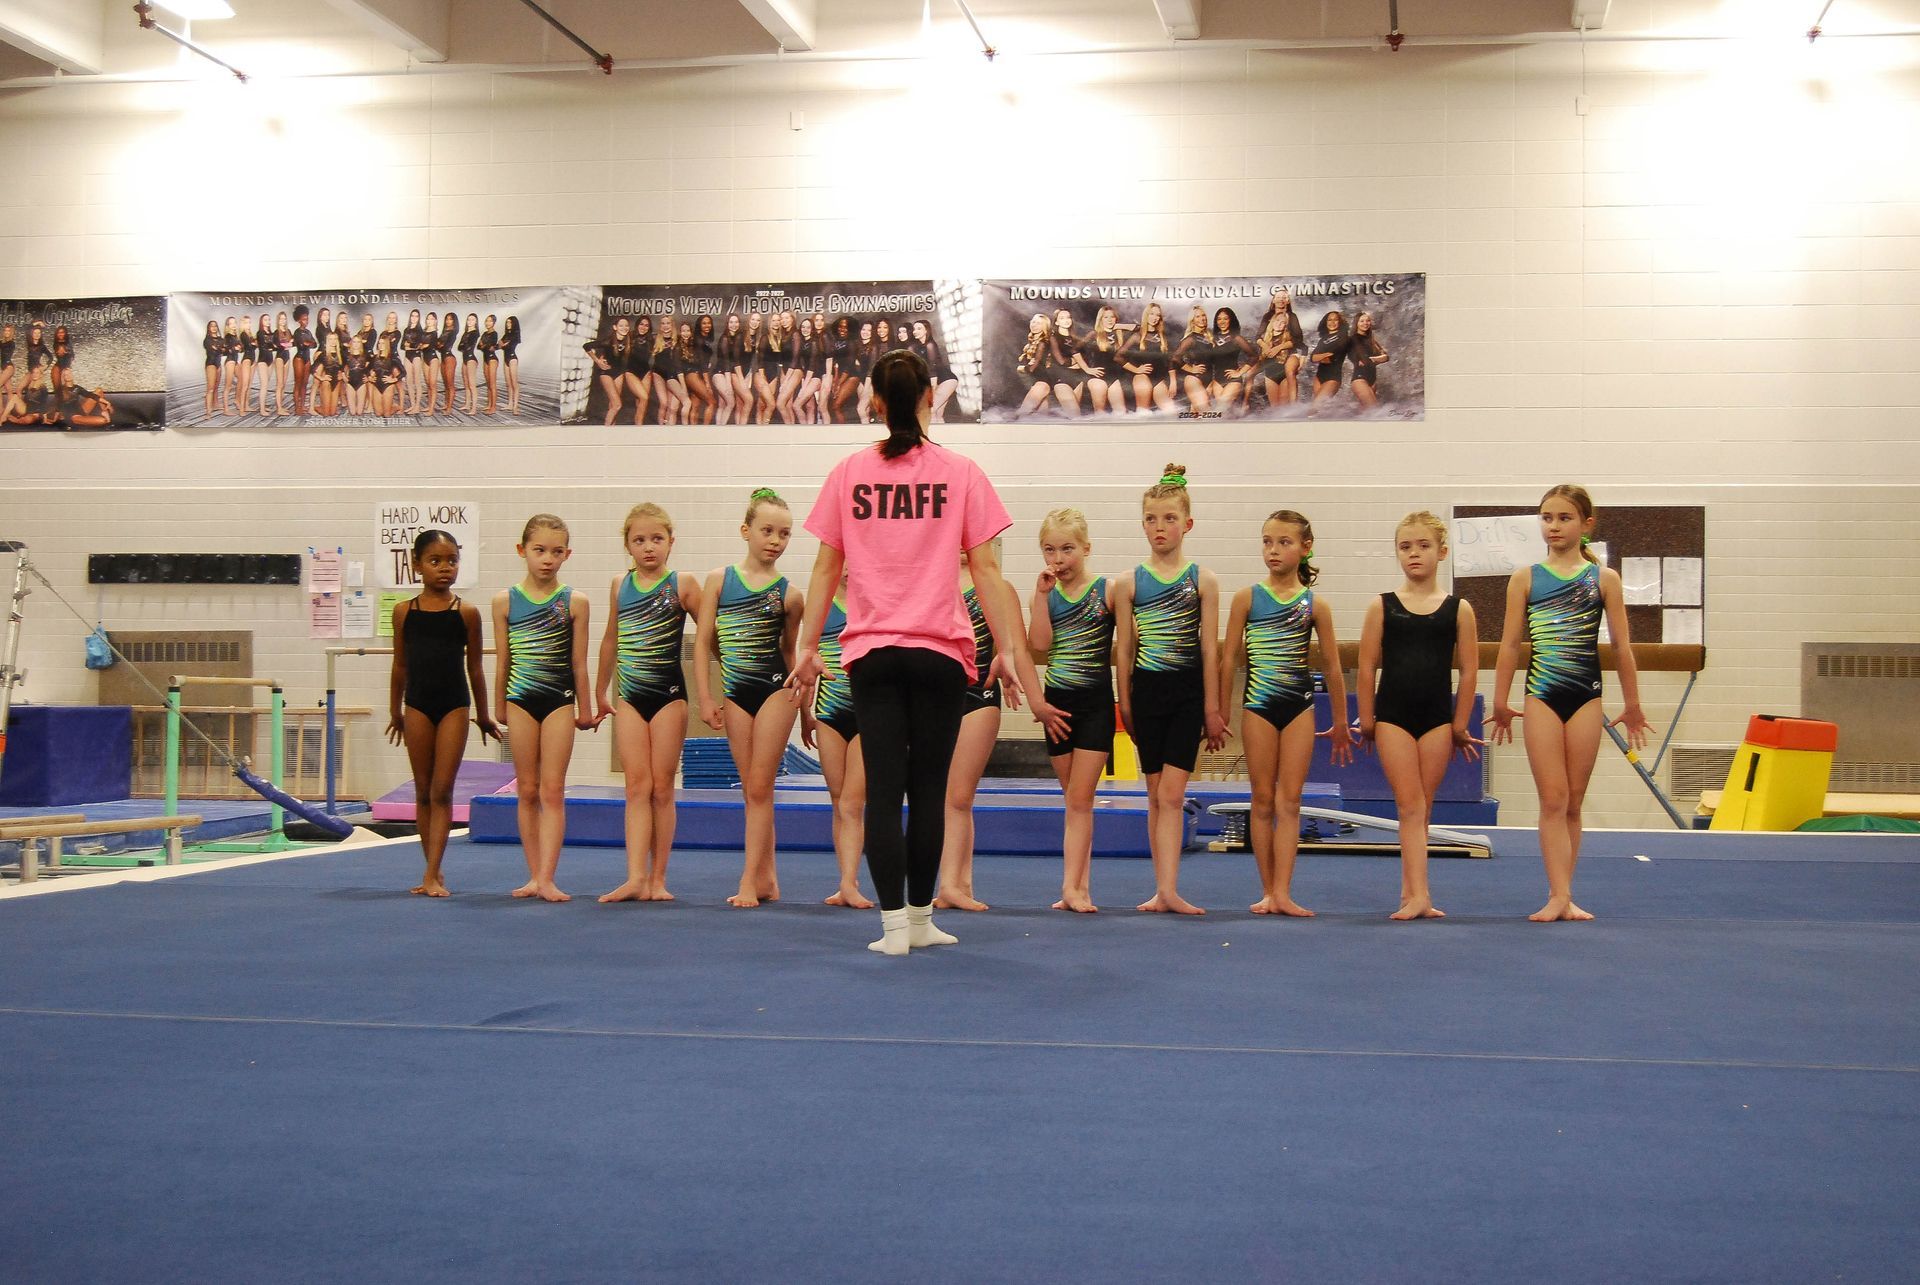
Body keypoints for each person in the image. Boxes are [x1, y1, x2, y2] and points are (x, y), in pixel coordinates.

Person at [789, 348, 1026, 955]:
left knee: (882, 789)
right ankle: (919, 918)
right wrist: (1010, 651)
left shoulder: (848, 473)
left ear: (874, 400)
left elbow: (823, 568)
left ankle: (899, 926)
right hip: (941, 652)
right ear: (928, 398)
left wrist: (808, 645)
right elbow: (989, 572)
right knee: (928, 791)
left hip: (873, 651)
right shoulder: (961, 472)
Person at [1492, 484, 1650, 922]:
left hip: (1586, 695)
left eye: (1564, 518)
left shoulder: (1603, 579)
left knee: (1575, 801)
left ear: (1586, 524)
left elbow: (1622, 647)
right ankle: (1557, 894)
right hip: (1541, 694)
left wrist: (1633, 703)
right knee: (1553, 798)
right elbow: (1509, 646)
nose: (1554, 526)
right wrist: (1501, 699)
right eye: (1547, 517)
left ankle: (1566, 893)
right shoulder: (1525, 578)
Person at [1221, 509, 1353, 917]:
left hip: (1299, 707)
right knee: (1262, 799)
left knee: (1289, 802)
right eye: (1267, 542)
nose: (1273, 550)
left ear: (1305, 548)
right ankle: (1267, 890)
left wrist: (1342, 721)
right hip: (1259, 706)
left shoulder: (1316, 605)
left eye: (1284, 542)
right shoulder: (1247, 598)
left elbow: (1331, 666)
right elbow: (1228, 661)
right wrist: (1217, 712)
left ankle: (1284, 891)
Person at [1354, 511, 1482, 920]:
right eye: (1405, 546)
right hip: (1393, 714)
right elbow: (1368, 665)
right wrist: (1367, 718)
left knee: (1422, 808)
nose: (1414, 553)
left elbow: (1470, 671)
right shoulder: (1382, 606)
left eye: (1423, 546)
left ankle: (1412, 893)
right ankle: (1418, 895)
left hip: (1437, 717)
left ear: (1442, 552)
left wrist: (1460, 723)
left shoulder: (1459, 609)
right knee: (1408, 805)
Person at [1115, 464, 1227, 914]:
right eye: (1151, 519)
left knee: (1171, 795)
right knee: (1153, 793)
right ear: (1142, 522)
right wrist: (1123, 703)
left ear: (1187, 524)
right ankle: (1161, 889)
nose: (1159, 527)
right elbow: (1124, 650)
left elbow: (1209, 651)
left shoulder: (1203, 580)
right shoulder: (1128, 582)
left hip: (1186, 695)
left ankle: (1171, 888)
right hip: (1146, 693)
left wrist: (1213, 708)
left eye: (1169, 519)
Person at [937, 541, 1062, 912]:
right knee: (950, 797)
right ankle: (961, 883)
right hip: (936, 699)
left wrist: (1037, 701)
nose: (959, 546)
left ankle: (949, 885)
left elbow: (1019, 649)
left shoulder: (996, 587)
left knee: (958, 796)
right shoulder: (933, 583)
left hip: (978, 696)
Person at [695, 488, 803, 908]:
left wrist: (807, 713)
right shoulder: (719, 581)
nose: (775, 540)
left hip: (778, 691)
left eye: (785, 534)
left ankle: (747, 881)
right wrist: (706, 699)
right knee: (752, 790)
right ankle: (768, 878)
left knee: (760, 787)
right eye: (767, 531)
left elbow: (792, 655)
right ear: (746, 531)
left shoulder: (790, 595)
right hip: (736, 693)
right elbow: (704, 642)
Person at [594, 502, 702, 904]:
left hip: (669, 698)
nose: (648, 547)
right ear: (627, 545)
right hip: (631, 697)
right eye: (639, 540)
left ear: (671, 542)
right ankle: (635, 876)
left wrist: (715, 691)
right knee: (636, 786)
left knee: (661, 788)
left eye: (657, 539)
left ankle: (658, 878)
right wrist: (599, 690)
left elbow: (710, 634)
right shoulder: (619, 585)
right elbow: (610, 638)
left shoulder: (683, 584)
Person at [386, 530, 497, 897]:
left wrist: (483, 714)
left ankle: (433, 873)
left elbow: (476, 669)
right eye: (435, 561)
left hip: (454, 704)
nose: (445, 568)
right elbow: (400, 666)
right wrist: (395, 710)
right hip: (416, 704)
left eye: (452, 561)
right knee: (421, 790)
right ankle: (432, 869)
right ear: (417, 565)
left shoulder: (466, 612)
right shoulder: (405, 612)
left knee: (442, 790)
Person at [492, 514, 593, 903]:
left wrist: (585, 708)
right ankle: (533, 875)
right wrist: (499, 704)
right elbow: (503, 659)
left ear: (567, 554)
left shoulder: (574, 602)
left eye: (556, 551)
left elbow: (579, 662)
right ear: (522, 551)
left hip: (558, 702)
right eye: (539, 550)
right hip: (520, 700)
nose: (547, 559)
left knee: (552, 790)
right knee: (527, 789)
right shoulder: (505, 602)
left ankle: (548, 877)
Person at [1028, 507, 1116, 913]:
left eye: (1067, 549)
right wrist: (1042, 598)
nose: (1058, 559)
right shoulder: (1045, 592)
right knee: (1074, 799)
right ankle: (1080, 886)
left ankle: (1071, 887)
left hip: (1095, 704)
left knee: (1081, 797)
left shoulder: (1107, 590)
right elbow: (1041, 646)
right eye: (1050, 550)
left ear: (1086, 548)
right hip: (1058, 705)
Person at [797, 570, 875, 909]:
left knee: (852, 803)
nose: (846, 569)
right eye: (840, 562)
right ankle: (846, 878)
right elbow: (806, 666)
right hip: (828, 715)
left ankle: (849, 881)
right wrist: (805, 715)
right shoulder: (822, 606)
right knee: (837, 799)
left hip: (868, 716)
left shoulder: (874, 603)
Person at [1309, 309, 1350, 413]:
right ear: (1325, 322)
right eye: (1329, 320)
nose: (1332, 322)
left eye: (1335, 320)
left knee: (1315, 408)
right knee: (1319, 411)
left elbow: (1331, 357)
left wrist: (1321, 356)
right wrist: (1323, 355)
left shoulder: (1343, 337)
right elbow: (1312, 357)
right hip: (1319, 377)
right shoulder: (1323, 339)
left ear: (1340, 322)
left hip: (1333, 377)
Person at [1348, 311, 1389, 409]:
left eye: (1368, 321)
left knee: (1366, 414)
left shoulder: (1371, 340)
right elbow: (1365, 360)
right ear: (1356, 323)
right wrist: (1379, 359)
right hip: (1360, 379)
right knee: (1374, 411)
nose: (1365, 323)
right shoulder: (1353, 339)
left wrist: (1374, 359)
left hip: (1372, 380)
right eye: (1362, 321)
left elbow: (1386, 357)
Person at [501, 315, 523, 416]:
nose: (508, 324)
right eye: (507, 322)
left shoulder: (515, 334)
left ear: (514, 323)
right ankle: (510, 404)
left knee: (514, 383)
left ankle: (516, 407)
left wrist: (504, 344)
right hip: (506, 359)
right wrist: (503, 344)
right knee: (508, 383)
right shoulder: (506, 334)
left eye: (510, 322)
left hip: (512, 359)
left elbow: (508, 345)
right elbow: (499, 344)